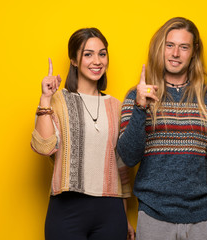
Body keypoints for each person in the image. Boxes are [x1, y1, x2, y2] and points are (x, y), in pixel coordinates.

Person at [117, 17, 207, 240]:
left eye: (183, 47)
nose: (175, 54)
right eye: (169, 45)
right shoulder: (137, 96)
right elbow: (128, 157)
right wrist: (140, 107)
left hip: (203, 218)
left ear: (194, 51)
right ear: (161, 48)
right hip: (153, 216)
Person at [30, 28, 135, 240]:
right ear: (74, 61)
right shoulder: (56, 101)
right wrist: (45, 99)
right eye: (88, 54)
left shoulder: (116, 106)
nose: (97, 61)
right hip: (67, 209)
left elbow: (121, 164)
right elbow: (44, 147)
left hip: (110, 210)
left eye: (102, 54)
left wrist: (124, 217)